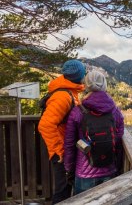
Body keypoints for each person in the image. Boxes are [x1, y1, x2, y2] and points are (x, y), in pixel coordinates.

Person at [64, 70, 124, 195]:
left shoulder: (77, 111)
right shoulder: (114, 110)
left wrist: (69, 168)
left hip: (84, 172)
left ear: (86, 85)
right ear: (104, 85)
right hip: (109, 169)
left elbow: (69, 144)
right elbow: (118, 135)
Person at [38, 59, 86, 203]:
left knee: (65, 187)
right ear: (78, 76)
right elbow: (45, 125)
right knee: (63, 190)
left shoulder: (69, 91)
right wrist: (58, 150)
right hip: (61, 152)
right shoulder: (63, 96)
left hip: (65, 149)